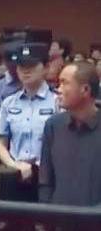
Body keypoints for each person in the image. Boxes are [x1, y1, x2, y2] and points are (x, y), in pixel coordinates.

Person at [0, 42, 58, 202]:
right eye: (21, 66)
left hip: (47, 177)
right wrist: (13, 164)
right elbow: (0, 142)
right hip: (15, 174)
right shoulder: (9, 103)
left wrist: (38, 166)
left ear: (46, 67)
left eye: (31, 65)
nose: (25, 70)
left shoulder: (57, 102)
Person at [39, 62, 101, 206]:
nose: (58, 90)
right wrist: (45, 214)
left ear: (85, 89)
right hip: (58, 216)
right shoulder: (53, 125)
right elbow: (45, 181)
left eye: (64, 83)